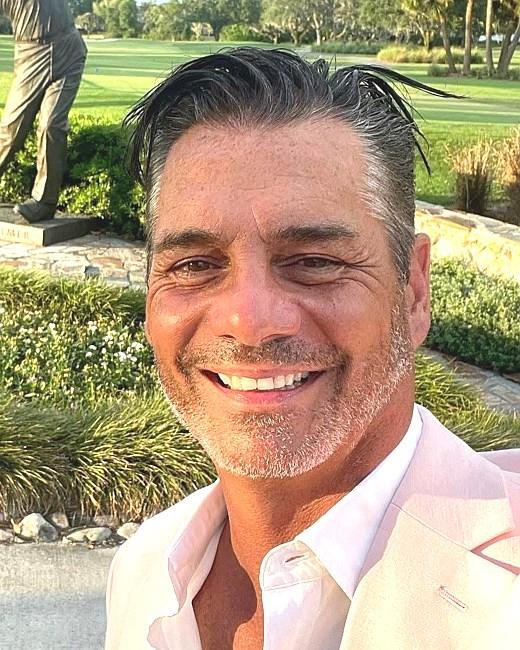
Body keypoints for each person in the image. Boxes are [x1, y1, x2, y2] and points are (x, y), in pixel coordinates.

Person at [105, 48, 520, 650]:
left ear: (413, 290)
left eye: (315, 262)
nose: (249, 323)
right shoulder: (144, 572)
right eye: (195, 265)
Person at [0, 0, 87, 222]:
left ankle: (44, 202)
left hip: (68, 49)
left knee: (52, 125)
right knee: (10, 131)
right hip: (30, 55)